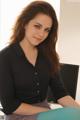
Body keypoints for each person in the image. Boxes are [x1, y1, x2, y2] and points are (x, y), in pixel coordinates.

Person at [0, 1, 80, 120]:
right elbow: (9, 106)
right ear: (25, 23)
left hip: (44, 114)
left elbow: (61, 94)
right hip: (18, 115)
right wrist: (48, 111)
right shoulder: (5, 57)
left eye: (47, 30)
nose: (41, 34)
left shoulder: (48, 56)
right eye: (37, 26)